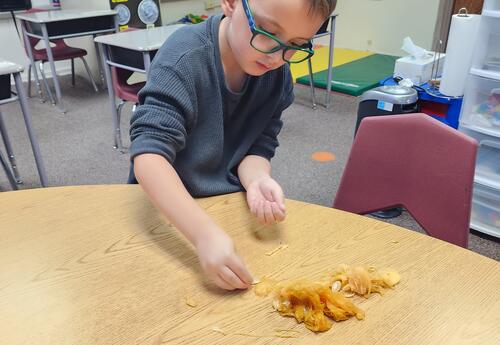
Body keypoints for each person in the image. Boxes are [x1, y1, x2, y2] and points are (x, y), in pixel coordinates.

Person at [129, 0, 337, 290]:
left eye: (296, 44)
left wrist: (257, 179)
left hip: (223, 210)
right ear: (230, 3)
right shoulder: (184, 57)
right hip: (169, 212)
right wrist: (203, 234)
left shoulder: (276, 78)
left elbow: (258, 148)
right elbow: (149, 155)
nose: (276, 57)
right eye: (265, 30)